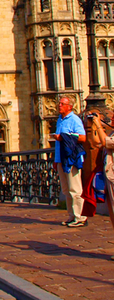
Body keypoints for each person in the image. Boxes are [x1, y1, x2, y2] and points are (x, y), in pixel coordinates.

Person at [52, 96, 87, 227]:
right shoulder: (59, 120)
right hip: (61, 158)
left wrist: (64, 137)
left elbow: (82, 137)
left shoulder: (74, 119)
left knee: (75, 189)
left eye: (62, 104)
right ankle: (72, 215)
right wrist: (56, 160)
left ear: (69, 107)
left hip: (72, 158)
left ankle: (80, 216)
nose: (59, 105)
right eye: (59, 103)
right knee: (66, 189)